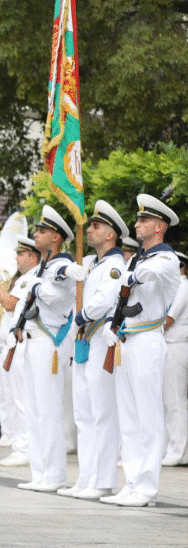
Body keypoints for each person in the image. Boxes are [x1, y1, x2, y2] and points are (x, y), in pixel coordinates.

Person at [101, 194, 181, 506]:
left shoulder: (166, 259)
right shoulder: (138, 259)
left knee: (149, 416)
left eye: (144, 220)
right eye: (138, 219)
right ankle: (132, 482)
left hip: (148, 339)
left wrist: (131, 275)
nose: (137, 223)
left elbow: (155, 275)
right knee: (129, 416)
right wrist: (111, 323)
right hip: (125, 340)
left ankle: (147, 487)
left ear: (159, 226)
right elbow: (119, 298)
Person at [58, 200, 128, 500]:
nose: (89, 230)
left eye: (96, 226)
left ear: (110, 234)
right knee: (83, 415)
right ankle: (86, 478)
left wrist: (81, 315)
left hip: (100, 339)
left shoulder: (114, 265)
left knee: (102, 413)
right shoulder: (92, 263)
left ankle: (103, 480)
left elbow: (102, 301)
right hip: (84, 341)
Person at [16, 205, 85, 492]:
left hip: (49, 341)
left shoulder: (59, 266)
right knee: (32, 410)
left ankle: (55, 474)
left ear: (56, 237)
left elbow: (59, 298)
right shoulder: (44, 267)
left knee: (48, 409)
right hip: (32, 341)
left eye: (42, 231)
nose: (36, 234)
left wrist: (35, 285)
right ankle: (39, 472)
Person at [0, 235, 41, 467]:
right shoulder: (24, 278)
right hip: (14, 344)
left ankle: (24, 449)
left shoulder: (32, 277)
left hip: (23, 343)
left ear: (32, 256)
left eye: (20, 254)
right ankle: (20, 445)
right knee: (16, 398)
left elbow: (8, 303)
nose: (16, 258)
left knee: (22, 400)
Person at [161, 250, 188, 466]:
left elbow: (168, 319)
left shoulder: (183, 286)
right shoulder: (173, 286)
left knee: (175, 401)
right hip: (166, 345)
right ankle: (172, 448)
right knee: (167, 401)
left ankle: (179, 451)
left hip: (176, 346)